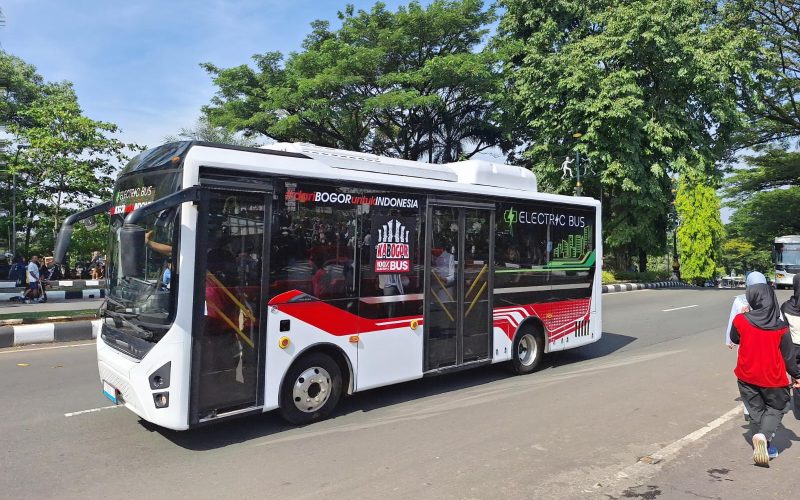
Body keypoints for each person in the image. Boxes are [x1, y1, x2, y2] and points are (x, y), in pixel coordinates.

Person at [729, 282, 800, 466]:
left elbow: (734, 338)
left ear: (753, 299)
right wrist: (797, 375)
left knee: (756, 411)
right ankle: (763, 437)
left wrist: (745, 315)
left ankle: (763, 446)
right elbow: (789, 356)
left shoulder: (740, 319)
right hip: (773, 379)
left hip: (746, 376)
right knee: (779, 406)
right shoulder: (781, 327)